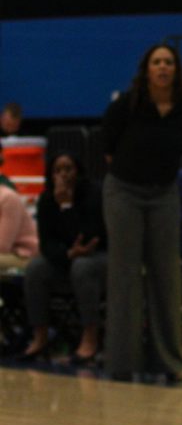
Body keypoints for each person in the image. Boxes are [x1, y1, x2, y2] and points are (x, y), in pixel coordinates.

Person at [102, 43, 182, 382]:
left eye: (169, 62)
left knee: (167, 276)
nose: (163, 67)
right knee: (125, 276)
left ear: (176, 70)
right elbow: (108, 149)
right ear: (146, 69)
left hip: (164, 194)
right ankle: (122, 363)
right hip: (124, 192)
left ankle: (170, 362)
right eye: (157, 62)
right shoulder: (126, 105)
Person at [19, 152, 106, 363]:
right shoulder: (47, 199)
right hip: (65, 258)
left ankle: (90, 337)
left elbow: (91, 234)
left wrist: (67, 207)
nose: (63, 175)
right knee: (35, 268)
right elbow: (46, 243)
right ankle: (40, 336)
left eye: (68, 169)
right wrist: (67, 254)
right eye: (57, 170)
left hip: (98, 256)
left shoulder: (93, 193)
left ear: (78, 171)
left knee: (82, 267)